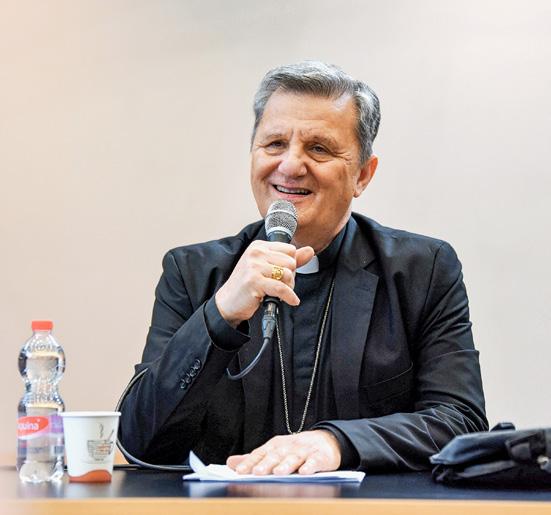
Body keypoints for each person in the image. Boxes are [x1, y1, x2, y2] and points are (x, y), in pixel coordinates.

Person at [118, 61, 487, 475]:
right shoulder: (192, 273)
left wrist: (337, 442)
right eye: (274, 144)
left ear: (363, 175)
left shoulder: (422, 270)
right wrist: (219, 316)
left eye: (319, 149)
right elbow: (138, 441)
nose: (291, 165)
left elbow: (460, 421)